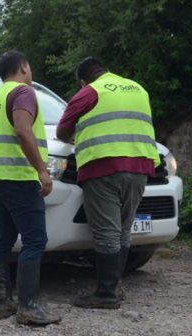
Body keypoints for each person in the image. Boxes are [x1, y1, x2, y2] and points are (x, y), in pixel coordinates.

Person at [56, 57, 160, 309]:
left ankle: (106, 294)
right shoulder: (138, 89)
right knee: (124, 230)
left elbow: (61, 132)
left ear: (83, 80)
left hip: (104, 167)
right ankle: (116, 287)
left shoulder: (90, 92)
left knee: (106, 233)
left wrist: (76, 136)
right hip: (140, 167)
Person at [0, 50, 61, 325]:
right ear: (24, 67)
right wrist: (41, 169)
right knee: (35, 240)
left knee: (3, 239)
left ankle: (3, 303)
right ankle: (29, 307)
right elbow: (23, 130)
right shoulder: (24, 92)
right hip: (18, 175)